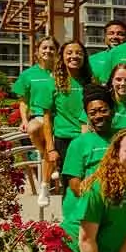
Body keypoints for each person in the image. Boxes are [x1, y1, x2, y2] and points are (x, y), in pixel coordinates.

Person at [61, 85, 116, 215]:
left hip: (113, 208)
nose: (98, 116)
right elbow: (75, 185)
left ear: (112, 111)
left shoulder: (123, 138)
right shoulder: (78, 143)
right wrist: (96, 207)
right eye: (92, 113)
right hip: (83, 209)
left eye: (103, 110)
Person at [13, 36, 58, 180]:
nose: (48, 50)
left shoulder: (61, 73)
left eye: (51, 48)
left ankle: (49, 170)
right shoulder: (28, 75)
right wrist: (24, 121)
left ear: (57, 52)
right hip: (38, 116)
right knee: (32, 129)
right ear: (37, 52)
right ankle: (46, 155)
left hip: (58, 116)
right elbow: (24, 102)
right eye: (44, 48)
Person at [44, 41, 92, 175]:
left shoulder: (92, 82)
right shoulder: (53, 83)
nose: (74, 56)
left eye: (79, 53)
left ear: (84, 57)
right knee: (69, 184)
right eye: (69, 53)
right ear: (62, 57)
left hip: (87, 138)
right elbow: (47, 118)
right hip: (64, 140)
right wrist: (50, 148)